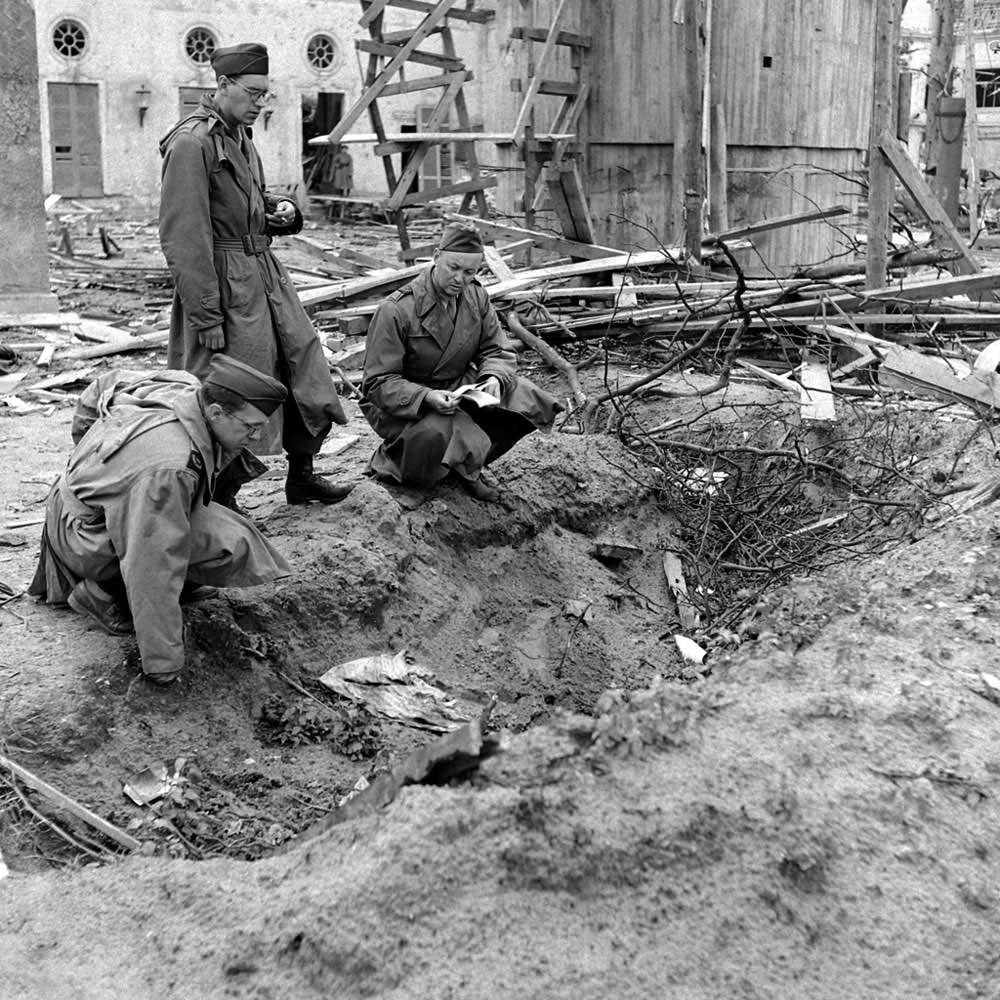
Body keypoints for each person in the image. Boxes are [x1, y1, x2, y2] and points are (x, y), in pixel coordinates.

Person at [158, 41, 351, 509]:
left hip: (264, 274)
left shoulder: (238, 135)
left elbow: (245, 205)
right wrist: (207, 318)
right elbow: (184, 239)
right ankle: (220, 500)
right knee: (239, 387)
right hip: (225, 285)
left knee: (304, 362)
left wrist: (278, 212)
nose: (261, 103)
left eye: (266, 95)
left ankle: (301, 476)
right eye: (254, 93)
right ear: (223, 85)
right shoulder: (191, 144)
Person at [28, 357, 294, 686]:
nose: (256, 437)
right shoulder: (169, 468)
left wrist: (97, 460)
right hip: (83, 536)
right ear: (215, 412)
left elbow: (103, 384)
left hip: (78, 510)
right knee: (230, 543)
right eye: (249, 427)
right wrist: (163, 661)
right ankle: (104, 593)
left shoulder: (183, 387)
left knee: (191, 529)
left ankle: (139, 584)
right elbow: (152, 561)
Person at [361, 222, 563, 502]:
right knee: (448, 431)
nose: (460, 278)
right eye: (453, 268)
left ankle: (465, 466)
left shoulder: (476, 296)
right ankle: (395, 461)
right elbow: (377, 383)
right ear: (435, 257)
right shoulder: (396, 310)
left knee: (525, 397)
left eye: (470, 272)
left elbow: (496, 350)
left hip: (457, 387)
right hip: (405, 403)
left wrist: (493, 378)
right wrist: (427, 396)